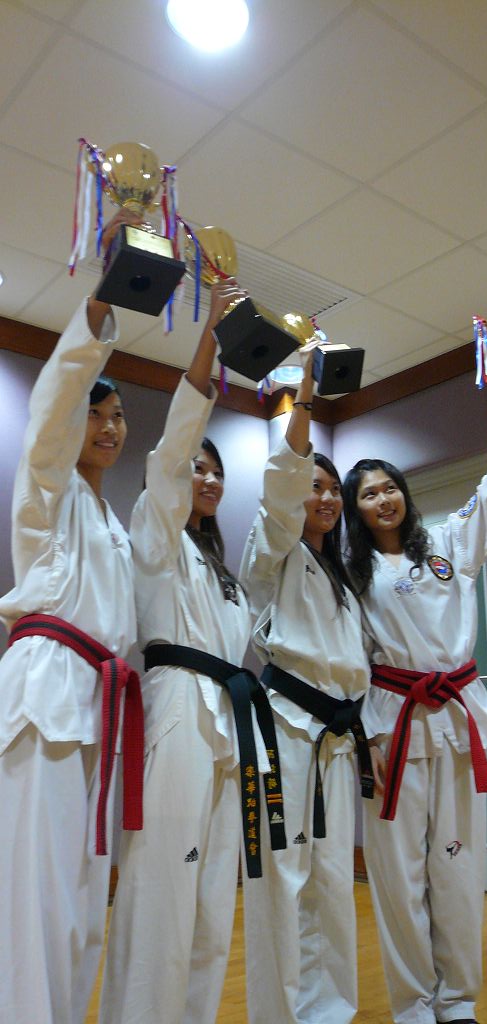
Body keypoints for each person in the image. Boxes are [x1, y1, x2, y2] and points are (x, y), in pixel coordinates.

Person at [99, 279, 279, 1024]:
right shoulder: (154, 532)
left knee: (211, 900)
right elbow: (172, 455)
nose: (205, 477)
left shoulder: (223, 573)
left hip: (231, 724)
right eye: (197, 467)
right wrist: (213, 338)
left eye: (217, 472)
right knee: (161, 893)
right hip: (177, 710)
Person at [342, 405, 487, 1024]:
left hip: (455, 720)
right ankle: (414, 1006)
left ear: (405, 492)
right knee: (398, 877)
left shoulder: (449, 544)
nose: (384, 499)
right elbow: (351, 661)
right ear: (356, 510)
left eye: (390, 487)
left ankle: (458, 1001)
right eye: (369, 494)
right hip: (392, 728)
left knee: (457, 865)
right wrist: (366, 735)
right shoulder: (353, 576)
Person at [0, 210, 143, 1024]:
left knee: (85, 902)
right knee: (37, 898)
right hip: (48, 691)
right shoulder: (48, 490)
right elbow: (54, 407)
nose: (110, 428)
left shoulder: (109, 522)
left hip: (100, 703)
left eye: (118, 417)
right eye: (99, 413)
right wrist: (105, 295)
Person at [239, 352, 373, 1024]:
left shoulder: (341, 577)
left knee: (332, 882)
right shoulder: (274, 553)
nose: (323, 497)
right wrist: (307, 397)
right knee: (283, 881)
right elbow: (281, 485)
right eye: (311, 486)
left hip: (337, 742)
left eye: (331, 490)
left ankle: (331, 1011)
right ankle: (278, 1015)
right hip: (286, 732)